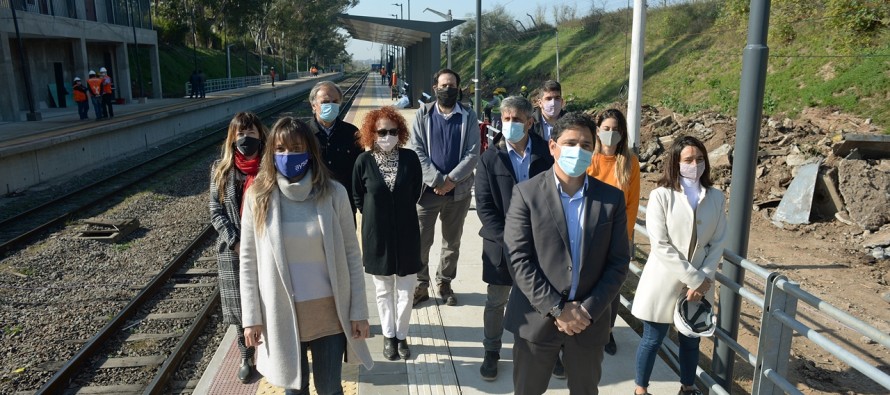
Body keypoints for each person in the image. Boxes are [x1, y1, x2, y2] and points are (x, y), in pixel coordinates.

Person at [240, 116, 373, 394]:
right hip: (281, 314)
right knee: (294, 390)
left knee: (330, 389)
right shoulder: (258, 197)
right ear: (271, 153)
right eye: (281, 149)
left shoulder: (334, 193)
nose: (288, 155)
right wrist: (251, 318)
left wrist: (359, 311)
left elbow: (352, 254)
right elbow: (249, 261)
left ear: (311, 151)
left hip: (330, 315)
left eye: (297, 148)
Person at [503, 112, 630, 395]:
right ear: (552, 147)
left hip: (589, 323)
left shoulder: (611, 199)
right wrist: (558, 308)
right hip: (536, 322)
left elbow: (619, 261)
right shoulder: (527, 194)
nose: (578, 150)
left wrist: (586, 310)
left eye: (586, 145)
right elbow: (518, 259)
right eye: (570, 143)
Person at [631, 136, 727, 395]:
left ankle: (688, 387)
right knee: (653, 339)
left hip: (700, 282)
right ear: (675, 163)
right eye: (688, 160)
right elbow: (660, 244)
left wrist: (703, 278)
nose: (694, 164)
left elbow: (717, 244)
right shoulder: (661, 196)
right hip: (665, 278)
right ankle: (641, 389)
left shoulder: (716, 198)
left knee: (691, 339)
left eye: (699, 159)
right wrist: (695, 279)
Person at [475, 96, 553, 381]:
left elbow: (554, 199)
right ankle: (492, 351)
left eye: (517, 119)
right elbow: (485, 207)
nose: (510, 124)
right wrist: (510, 240)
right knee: (496, 301)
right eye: (506, 119)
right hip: (501, 246)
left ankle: (546, 348)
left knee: (544, 300)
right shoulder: (489, 158)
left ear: (530, 122)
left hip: (540, 244)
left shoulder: (546, 154)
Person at [352, 106, 423, 361]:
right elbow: (358, 195)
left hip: (407, 234)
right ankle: (388, 336)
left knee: (406, 290)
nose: (387, 136)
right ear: (372, 132)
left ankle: (401, 336)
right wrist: (374, 215)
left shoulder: (411, 159)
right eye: (382, 131)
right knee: (383, 291)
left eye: (393, 131)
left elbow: (415, 191)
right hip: (376, 236)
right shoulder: (363, 161)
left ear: (400, 133)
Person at [408, 68, 480, 307]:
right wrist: (438, 180)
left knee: (452, 241)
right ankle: (421, 284)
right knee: (420, 240)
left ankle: (445, 282)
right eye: (443, 85)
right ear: (435, 88)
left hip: (457, 192)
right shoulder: (423, 114)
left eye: (452, 86)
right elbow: (417, 150)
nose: (447, 89)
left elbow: (472, 154)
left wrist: (451, 180)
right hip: (426, 192)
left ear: (458, 89)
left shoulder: (468, 116)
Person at [209, 112, 268, 383]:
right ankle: (246, 356)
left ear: (261, 135)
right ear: (232, 138)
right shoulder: (221, 169)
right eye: (241, 134)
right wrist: (235, 241)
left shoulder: (271, 166)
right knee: (240, 306)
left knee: (269, 300)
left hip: (267, 247)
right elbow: (215, 210)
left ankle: (271, 352)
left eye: (251, 133)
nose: (246, 138)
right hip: (233, 250)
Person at [586, 108, 641, 356]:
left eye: (615, 130)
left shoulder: (630, 163)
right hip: (588, 236)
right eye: (606, 129)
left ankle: (607, 331)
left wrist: (622, 238)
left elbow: (632, 204)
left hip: (616, 238)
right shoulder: (588, 159)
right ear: (597, 131)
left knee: (612, 289)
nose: (610, 134)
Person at [307, 80, 361, 214]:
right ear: (313, 105)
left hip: (345, 206)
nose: (330, 105)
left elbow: (359, 173)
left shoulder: (352, 133)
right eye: (325, 102)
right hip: (312, 206)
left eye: (335, 102)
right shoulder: (303, 133)